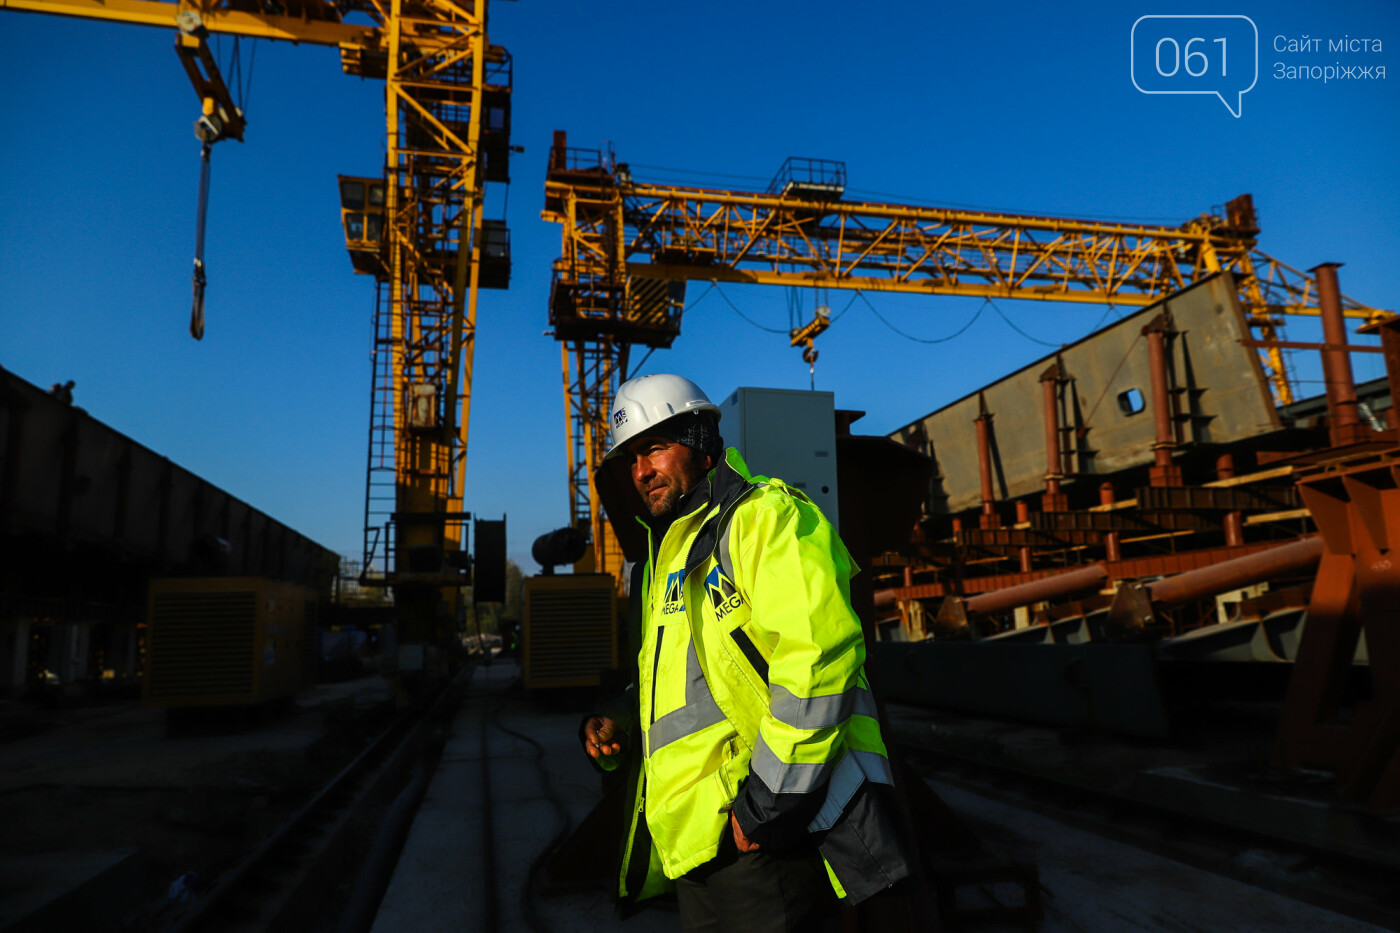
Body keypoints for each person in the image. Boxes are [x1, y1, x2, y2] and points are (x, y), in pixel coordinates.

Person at [582, 373, 910, 932]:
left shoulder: (767, 520)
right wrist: (619, 721)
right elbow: (679, 684)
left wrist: (768, 804)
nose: (641, 472)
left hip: (761, 843)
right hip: (692, 845)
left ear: (701, 440)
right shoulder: (665, 558)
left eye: (655, 447)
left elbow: (818, 662)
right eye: (633, 457)